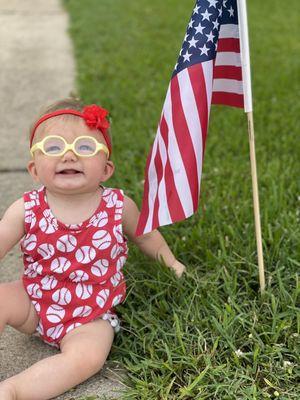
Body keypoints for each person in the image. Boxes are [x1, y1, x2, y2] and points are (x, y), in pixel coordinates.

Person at [0, 98, 186, 400]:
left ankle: (13, 391)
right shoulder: (25, 209)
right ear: (34, 169)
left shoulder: (118, 206)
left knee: (88, 358)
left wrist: (172, 262)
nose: (70, 155)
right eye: (54, 148)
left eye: (86, 147)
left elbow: (146, 237)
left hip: (90, 313)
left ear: (106, 169)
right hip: (34, 301)